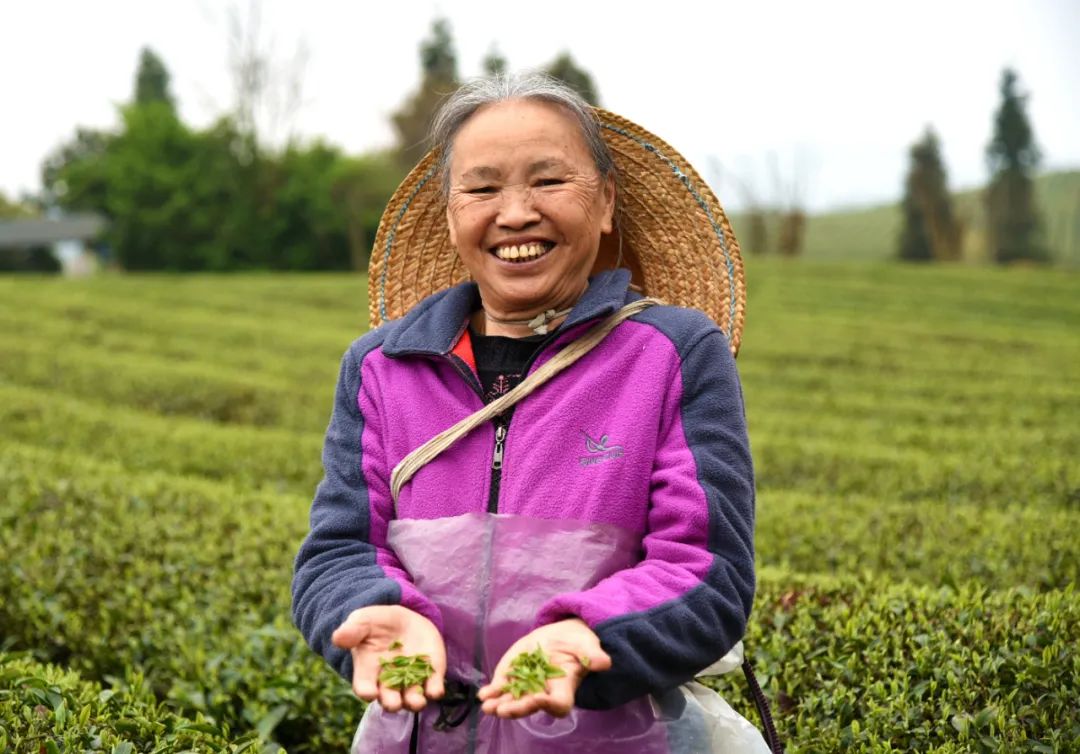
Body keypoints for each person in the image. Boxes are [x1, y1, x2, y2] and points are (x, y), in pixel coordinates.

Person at [292, 73, 766, 753]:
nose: (515, 214)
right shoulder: (380, 369)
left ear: (605, 203)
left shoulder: (673, 354)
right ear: (452, 215)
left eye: (548, 182)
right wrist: (380, 615)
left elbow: (704, 570)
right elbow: (338, 550)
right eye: (483, 189)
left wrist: (586, 639)